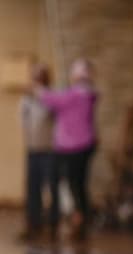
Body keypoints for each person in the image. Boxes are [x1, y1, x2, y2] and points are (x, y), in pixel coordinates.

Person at [38, 58, 97, 237]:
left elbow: (53, 99)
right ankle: (79, 215)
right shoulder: (83, 94)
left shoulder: (78, 95)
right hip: (77, 145)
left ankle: (79, 216)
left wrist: (40, 89)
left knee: (74, 182)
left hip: (75, 146)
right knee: (77, 183)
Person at [20, 62, 56, 238]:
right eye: (35, 77)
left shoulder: (51, 97)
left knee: (51, 186)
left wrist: (42, 95)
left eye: (40, 77)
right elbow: (24, 122)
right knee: (32, 187)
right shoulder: (27, 100)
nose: (37, 81)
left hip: (49, 149)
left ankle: (52, 224)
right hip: (33, 149)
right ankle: (33, 222)